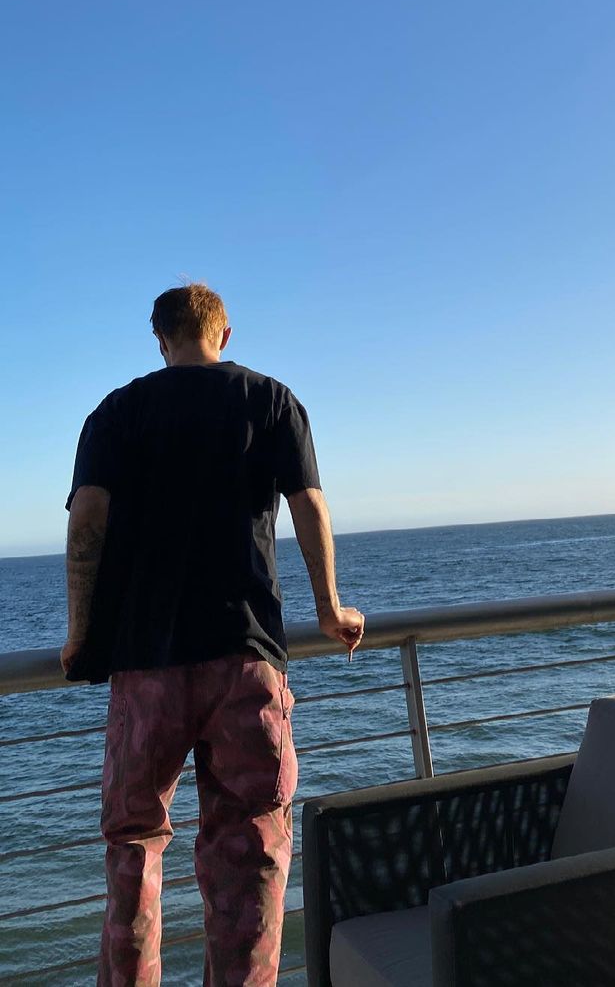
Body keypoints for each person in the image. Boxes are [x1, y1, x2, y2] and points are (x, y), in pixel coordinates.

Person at [61, 282, 364, 987]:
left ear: (159, 339)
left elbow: (87, 521)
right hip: (245, 661)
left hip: (146, 666)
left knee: (133, 848)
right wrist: (329, 609)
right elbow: (309, 506)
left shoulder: (116, 412)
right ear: (224, 334)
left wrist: (80, 632)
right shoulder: (271, 400)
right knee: (250, 854)